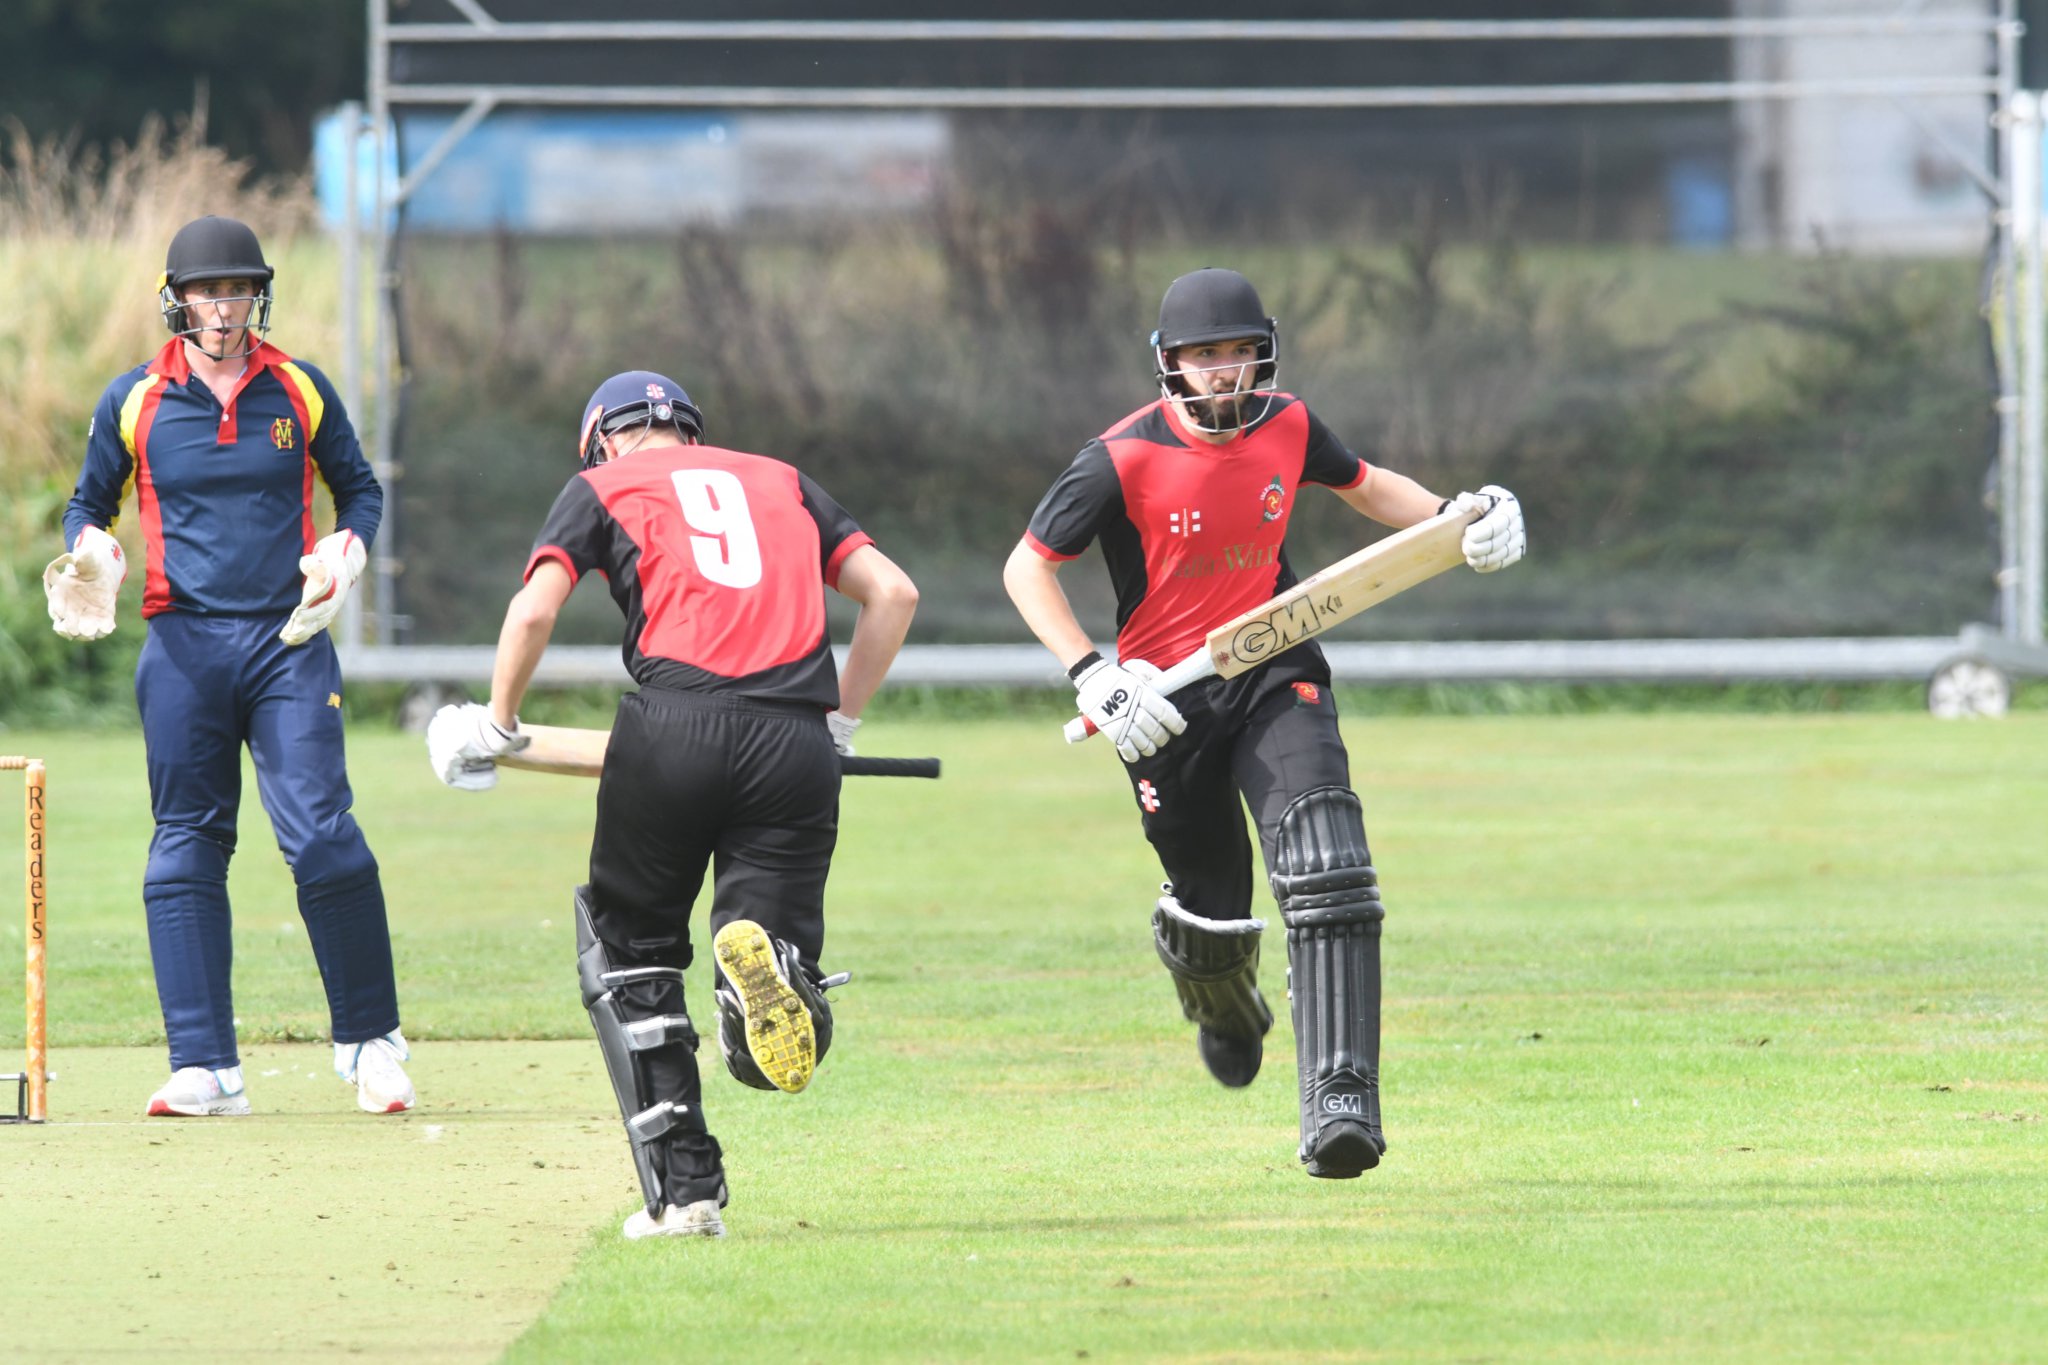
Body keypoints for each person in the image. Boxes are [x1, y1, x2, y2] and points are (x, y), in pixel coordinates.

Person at [1002, 268, 1526, 1179]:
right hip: (1164, 703)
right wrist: (1094, 676)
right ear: (1170, 365)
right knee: (1213, 918)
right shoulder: (1118, 457)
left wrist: (1454, 518)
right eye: (1206, 357)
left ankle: (1340, 1101)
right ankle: (1222, 1003)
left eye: (1240, 354)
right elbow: (1026, 568)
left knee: (1328, 856)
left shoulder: (1289, 422)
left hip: (1275, 658)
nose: (1226, 374)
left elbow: (1365, 485)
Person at [426, 371, 918, 1240]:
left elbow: (534, 611)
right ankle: (765, 977)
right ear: (691, 432)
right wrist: (838, 722)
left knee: (631, 954)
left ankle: (686, 1192)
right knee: (772, 971)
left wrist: (498, 722)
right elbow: (894, 592)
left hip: (671, 732)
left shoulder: (599, 486)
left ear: (602, 441)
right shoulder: (782, 478)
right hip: (796, 744)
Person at [50, 215, 412, 1117]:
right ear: (177, 298)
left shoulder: (298, 388)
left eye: (238, 288)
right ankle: (205, 1066)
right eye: (208, 290)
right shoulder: (132, 399)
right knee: (183, 848)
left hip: (287, 641)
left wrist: (346, 552)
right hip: (181, 645)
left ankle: (371, 1042)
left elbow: (359, 488)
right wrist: (91, 554)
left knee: (323, 834)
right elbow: (88, 502)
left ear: (259, 294)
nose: (223, 305)